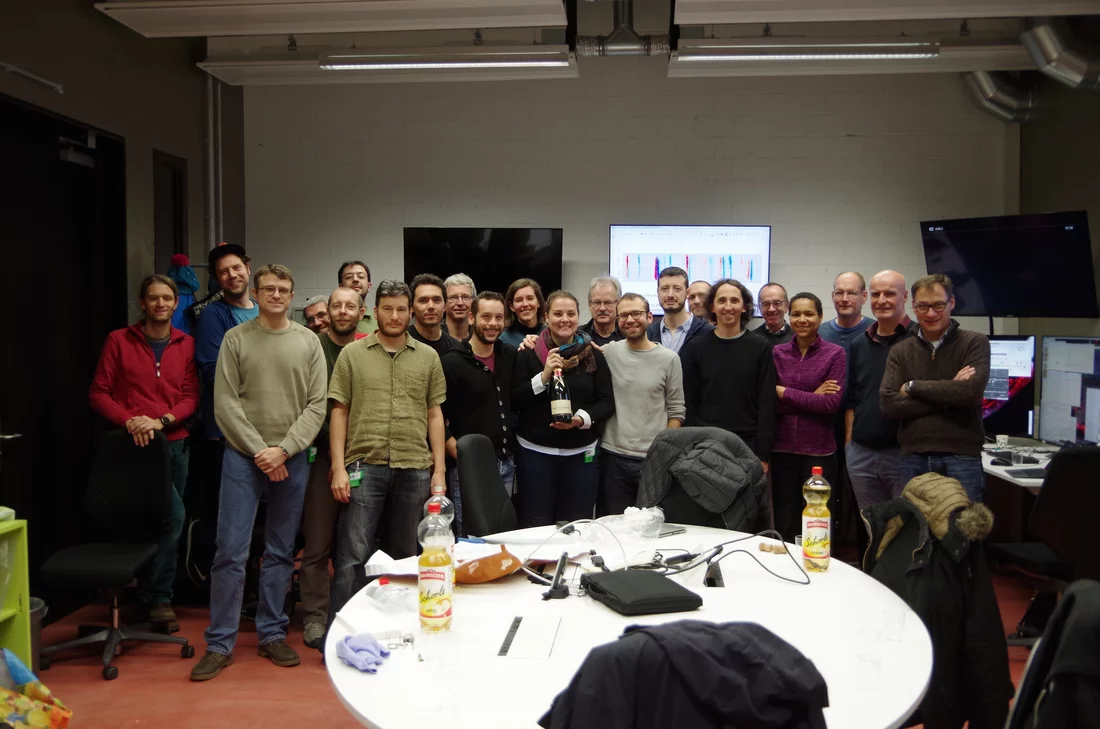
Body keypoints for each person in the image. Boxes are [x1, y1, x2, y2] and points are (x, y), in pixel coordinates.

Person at [191, 264, 326, 682]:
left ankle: (271, 633)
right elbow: (225, 403)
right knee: (230, 552)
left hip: (293, 458)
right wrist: (260, 452)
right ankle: (219, 643)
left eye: (284, 289)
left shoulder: (308, 342)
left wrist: (283, 450)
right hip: (242, 459)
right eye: (268, 288)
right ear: (256, 290)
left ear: (292, 294)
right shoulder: (236, 339)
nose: (276, 295)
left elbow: (317, 405)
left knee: (282, 550)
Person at [328, 280, 447, 616]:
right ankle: (342, 629)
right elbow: (340, 412)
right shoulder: (352, 354)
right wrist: (338, 467)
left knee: (406, 554)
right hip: (364, 467)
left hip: (414, 468)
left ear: (410, 313)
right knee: (353, 554)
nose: (394, 316)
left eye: (400, 309)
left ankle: (401, 625)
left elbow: (434, 414)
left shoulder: (428, 357)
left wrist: (438, 471)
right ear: (374, 311)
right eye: (387, 308)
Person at [89, 274, 199, 634]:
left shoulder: (185, 344)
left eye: (168, 298)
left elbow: (190, 396)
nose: (161, 304)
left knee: (171, 520)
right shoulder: (119, 341)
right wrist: (133, 422)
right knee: (157, 519)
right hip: (132, 448)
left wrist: (161, 421)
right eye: (154, 298)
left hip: (173, 445)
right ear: (143, 303)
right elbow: (99, 393)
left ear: (176, 303)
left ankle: (157, 596)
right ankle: (155, 596)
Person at [880, 273, 991, 501]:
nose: (930, 313)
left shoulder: (974, 343)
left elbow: (970, 394)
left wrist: (913, 386)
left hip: (962, 458)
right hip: (913, 458)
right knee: (915, 532)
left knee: (962, 532)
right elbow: (889, 405)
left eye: (938, 305)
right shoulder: (900, 351)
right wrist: (950, 392)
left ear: (951, 302)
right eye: (923, 306)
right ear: (913, 306)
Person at [512, 291, 615, 527]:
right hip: (535, 453)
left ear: (579, 317)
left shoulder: (592, 354)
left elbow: (606, 402)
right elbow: (516, 400)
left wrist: (581, 419)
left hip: (581, 456)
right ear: (546, 317)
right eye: (557, 314)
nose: (564, 319)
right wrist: (544, 376)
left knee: (577, 524)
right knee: (535, 522)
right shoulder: (528, 353)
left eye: (571, 314)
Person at [298, 286, 363, 651]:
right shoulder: (312, 349)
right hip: (321, 454)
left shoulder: (368, 349)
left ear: (360, 311)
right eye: (335, 306)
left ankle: (352, 611)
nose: (341, 311)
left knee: (357, 543)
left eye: (348, 306)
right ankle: (314, 618)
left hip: (362, 457)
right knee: (318, 542)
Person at [770, 292, 846, 543]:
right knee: (784, 517)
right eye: (796, 314)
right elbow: (769, 403)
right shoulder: (776, 353)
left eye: (809, 313)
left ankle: (818, 570)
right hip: (782, 451)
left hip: (819, 452)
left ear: (820, 317)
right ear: (789, 317)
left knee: (818, 519)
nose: (802, 319)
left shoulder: (835, 354)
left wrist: (785, 392)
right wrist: (811, 397)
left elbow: (830, 404)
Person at [440, 292, 518, 536]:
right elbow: (435, 414)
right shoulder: (452, 362)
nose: (493, 324)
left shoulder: (510, 356)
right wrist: (456, 449)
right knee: (470, 537)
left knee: (500, 535)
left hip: (506, 464)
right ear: (472, 318)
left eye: (499, 318)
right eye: (486, 317)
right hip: (468, 467)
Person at [599, 293, 684, 515]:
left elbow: (677, 410)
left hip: (652, 461)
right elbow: (573, 345)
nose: (630, 320)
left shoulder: (669, 359)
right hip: (613, 457)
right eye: (624, 315)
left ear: (649, 317)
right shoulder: (609, 352)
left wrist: (663, 454)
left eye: (636, 313)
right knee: (615, 527)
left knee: (652, 527)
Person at [680, 279, 775, 470]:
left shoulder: (760, 347)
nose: (728, 307)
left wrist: (763, 454)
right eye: (722, 301)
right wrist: (691, 447)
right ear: (713, 307)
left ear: (744, 307)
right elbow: (689, 402)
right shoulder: (696, 348)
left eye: (734, 301)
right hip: (705, 444)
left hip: (747, 446)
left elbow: (767, 403)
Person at [845, 270, 916, 512]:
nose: (882, 300)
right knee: (874, 531)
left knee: (906, 532)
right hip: (861, 455)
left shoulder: (920, 340)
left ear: (905, 297)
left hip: (903, 456)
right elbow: (852, 399)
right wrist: (849, 446)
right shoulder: (859, 344)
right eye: (876, 294)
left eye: (890, 294)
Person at [195, 243, 258, 441]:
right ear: (217, 279)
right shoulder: (212, 315)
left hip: (265, 422)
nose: (232, 275)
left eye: (236, 267)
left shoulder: (265, 310)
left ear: (248, 268)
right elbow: (214, 372)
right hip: (229, 428)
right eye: (223, 272)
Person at [646, 266, 714, 355]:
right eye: (664, 289)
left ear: (687, 293)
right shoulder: (647, 334)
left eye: (677, 289)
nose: (670, 294)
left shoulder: (708, 332)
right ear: (658, 292)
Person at [407, 273, 462, 356]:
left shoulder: (456, 349)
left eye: (436, 300)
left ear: (445, 306)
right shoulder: (400, 341)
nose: (431, 306)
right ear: (412, 307)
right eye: (423, 300)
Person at [820, 271, 873, 350]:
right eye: (839, 293)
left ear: (864, 296)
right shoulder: (819, 333)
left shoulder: (876, 331)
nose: (845, 299)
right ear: (833, 296)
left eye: (852, 293)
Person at [499, 278, 547, 348]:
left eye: (530, 298)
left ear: (538, 302)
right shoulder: (504, 339)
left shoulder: (550, 334)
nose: (525, 304)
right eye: (519, 300)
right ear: (512, 306)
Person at [579, 276, 625, 347]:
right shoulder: (578, 336)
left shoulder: (628, 335)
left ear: (618, 304)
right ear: (589, 305)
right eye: (597, 302)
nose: (602, 308)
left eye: (608, 302)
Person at [338, 260, 379, 335]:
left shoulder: (379, 320)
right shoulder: (333, 319)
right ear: (340, 287)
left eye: (361, 276)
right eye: (349, 277)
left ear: (369, 286)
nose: (355, 280)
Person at [752, 282, 794, 347]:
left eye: (777, 303)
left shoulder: (798, 339)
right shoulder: (751, 339)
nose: (771, 309)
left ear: (786, 306)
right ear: (759, 308)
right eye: (765, 304)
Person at [443, 272, 476, 341]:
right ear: (443, 303)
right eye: (453, 297)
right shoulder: (433, 336)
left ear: (473, 302)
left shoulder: (480, 337)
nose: (460, 303)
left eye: (465, 297)